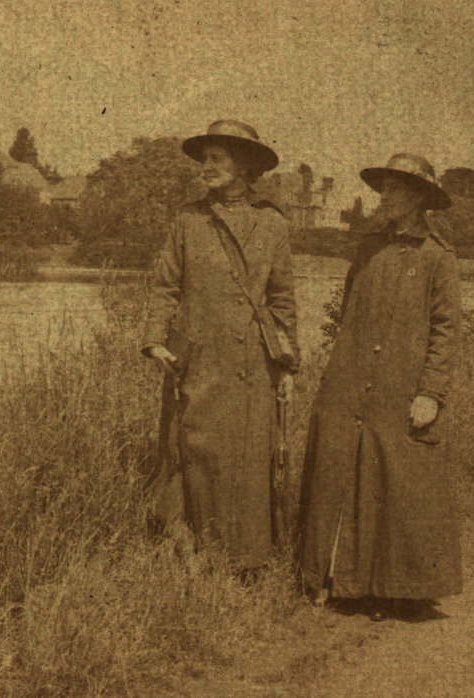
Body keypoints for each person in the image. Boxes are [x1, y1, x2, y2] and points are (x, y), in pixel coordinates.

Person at [297, 153, 462, 621]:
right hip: (348, 380)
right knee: (336, 470)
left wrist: (431, 392)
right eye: (383, 188)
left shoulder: (438, 257)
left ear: (419, 198)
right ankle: (324, 580)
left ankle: (390, 587)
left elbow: (446, 329)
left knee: (391, 478)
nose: (383, 198)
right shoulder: (367, 246)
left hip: (401, 384)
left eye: (394, 190)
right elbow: (349, 307)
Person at [142, 120, 300, 574]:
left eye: (217, 159)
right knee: (190, 452)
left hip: (253, 361)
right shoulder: (189, 220)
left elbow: (283, 298)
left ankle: (246, 560)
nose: (206, 168)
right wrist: (155, 340)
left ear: (244, 165)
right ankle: (185, 555)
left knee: (250, 457)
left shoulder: (272, 224)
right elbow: (165, 286)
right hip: (196, 359)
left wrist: (288, 366)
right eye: (204, 159)